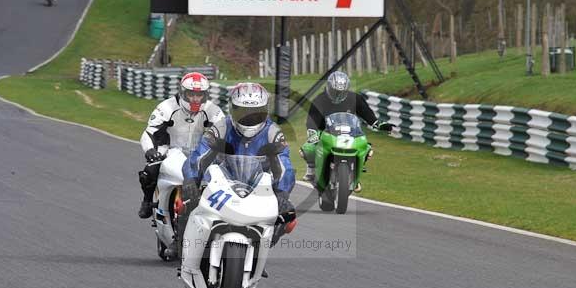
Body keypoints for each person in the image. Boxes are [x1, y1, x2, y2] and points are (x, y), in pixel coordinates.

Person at [176, 82, 296, 263]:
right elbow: (199, 155)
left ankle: (259, 252)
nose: (249, 117)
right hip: (220, 183)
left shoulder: (272, 132)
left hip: (258, 188)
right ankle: (180, 245)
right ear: (233, 109)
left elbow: (284, 164)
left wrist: (282, 194)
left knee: (289, 218)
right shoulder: (221, 127)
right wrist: (191, 180)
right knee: (186, 201)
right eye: (243, 112)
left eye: (255, 112)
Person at [137, 72, 225, 220]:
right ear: (183, 92)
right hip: (171, 150)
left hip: (201, 152)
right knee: (151, 167)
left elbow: (225, 134)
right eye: (191, 94)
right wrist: (150, 150)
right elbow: (150, 132)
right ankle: (147, 201)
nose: (195, 99)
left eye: (200, 95)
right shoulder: (166, 107)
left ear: (205, 95)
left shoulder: (213, 111)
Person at [301, 70, 392, 191]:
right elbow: (312, 120)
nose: (338, 95)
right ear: (328, 87)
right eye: (335, 91)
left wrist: (380, 125)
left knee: (367, 149)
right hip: (326, 133)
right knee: (307, 148)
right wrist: (313, 134)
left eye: (341, 92)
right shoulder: (320, 100)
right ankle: (311, 169)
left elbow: (368, 116)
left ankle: (356, 176)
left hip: (350, 133)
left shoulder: (355, 99)